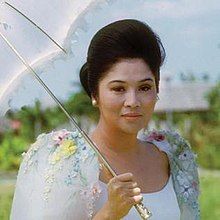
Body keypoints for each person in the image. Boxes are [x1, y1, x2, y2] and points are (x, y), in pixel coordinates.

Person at [10, 19, 200, 220]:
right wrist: (110, 213)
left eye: (145, 87)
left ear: (157, 88)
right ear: (95, 93)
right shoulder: (61, 162)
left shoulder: (174, 155)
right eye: (118, 89)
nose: (133, 101)